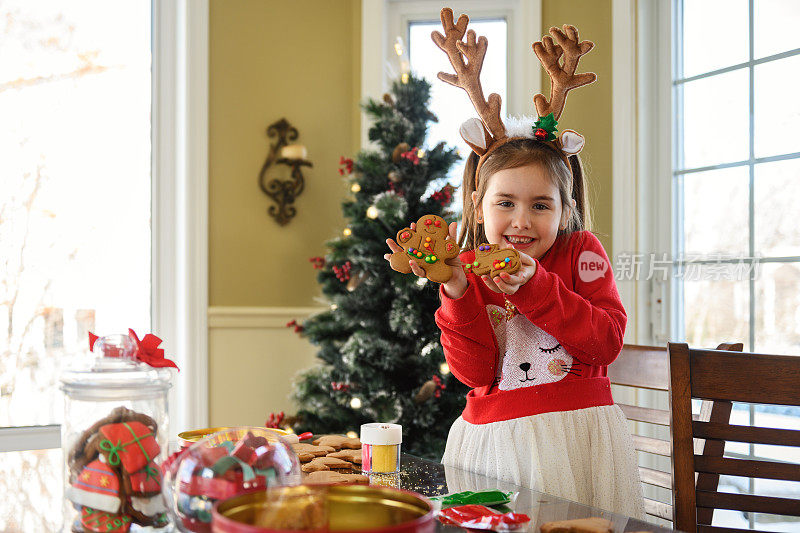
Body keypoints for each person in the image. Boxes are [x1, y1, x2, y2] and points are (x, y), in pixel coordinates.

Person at [385, 8, 645, 518]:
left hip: (576, 439)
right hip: (493, 445)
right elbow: (475, 370)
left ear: (565, 209)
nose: (521, 221)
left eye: (540, 205)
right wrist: (457, 292)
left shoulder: (580, 252)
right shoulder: (467, 267)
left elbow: (605, 341)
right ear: (478, 206)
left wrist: (533, 286)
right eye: (505, 203)